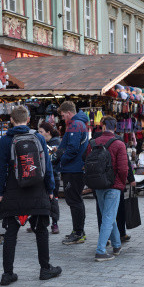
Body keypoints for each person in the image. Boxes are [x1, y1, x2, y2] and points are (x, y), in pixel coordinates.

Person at [0, 106, 61, 284]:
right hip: (37, 191)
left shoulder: (6, 140)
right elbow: (47, 167)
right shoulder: (38, 137)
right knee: (41, 231)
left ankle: (8, 274)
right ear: (28, 119)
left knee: (11, 233)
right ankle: (45, 269)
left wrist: (1, 191)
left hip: (13, 192)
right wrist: (51, 190)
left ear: (11, 120)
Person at [85, 116, 129, 261]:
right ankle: (100, 251)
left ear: (102, 126)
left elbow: (87, 163)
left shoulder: (92, 143)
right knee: (109, 217)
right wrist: (121, 184)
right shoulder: (119, 144)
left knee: (108, 216)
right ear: (115, 128)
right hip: (114, 185)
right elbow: (123, 169)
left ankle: (116, 245)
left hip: (98, 184)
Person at [57, 101, 89, 245]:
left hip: (73, 169)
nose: (63, 119)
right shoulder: (78, 124)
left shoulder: (75, 125)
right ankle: (78, 231)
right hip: (75, 168)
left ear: (69, 113)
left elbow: (72, 148)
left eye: (63, 116)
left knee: (74, 201)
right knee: (76, 200)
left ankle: (78, 232)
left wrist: (60, 160)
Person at [38, 122, 61, 234]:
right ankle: (39, 222)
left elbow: (54, 159)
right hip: (42, 176)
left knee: (53, 200)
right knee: (40, 199)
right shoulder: (42, 143)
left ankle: (54, 223)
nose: (39, 134)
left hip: (54, 175)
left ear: (48, 132)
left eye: (41, 132)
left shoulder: (56, 143)